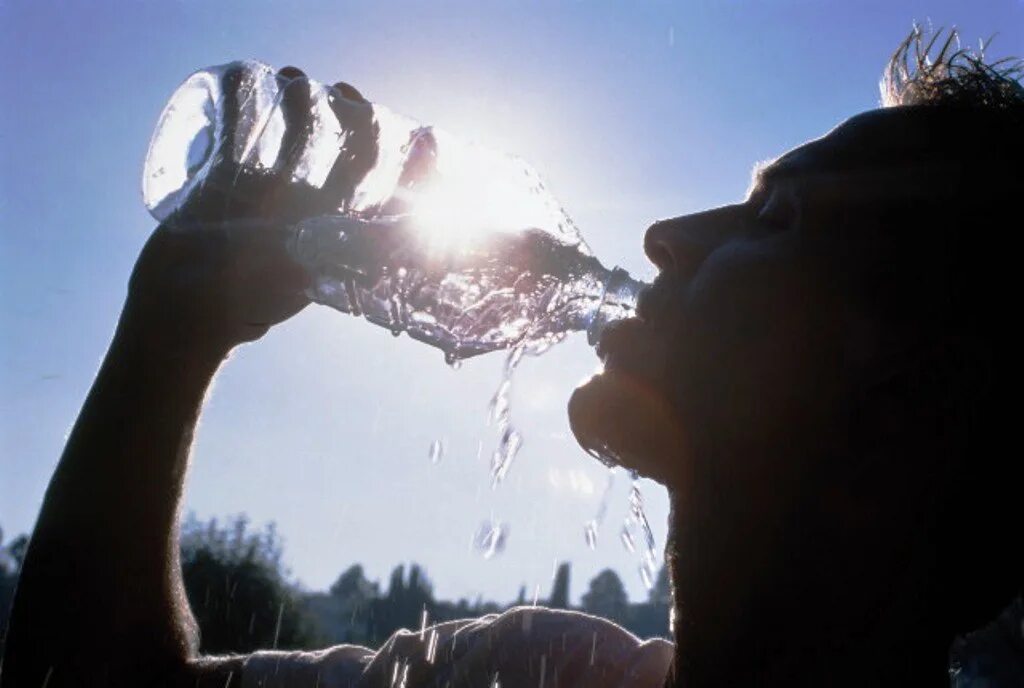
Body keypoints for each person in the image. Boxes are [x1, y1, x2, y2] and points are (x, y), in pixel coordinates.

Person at [2, 28, 1021, 688]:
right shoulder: (540, 667)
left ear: (909, 405)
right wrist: (164, 340)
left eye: (778, 217)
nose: (666, 233)